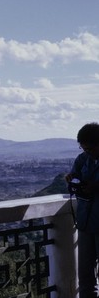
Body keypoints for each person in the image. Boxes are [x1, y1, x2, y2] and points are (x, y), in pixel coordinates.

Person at [65, 122, 99, 297]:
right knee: (85, 275)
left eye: (90, 149)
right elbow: (75, 182)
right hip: (85, 222)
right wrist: (72, 179)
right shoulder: (82, 159)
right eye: (83, 148)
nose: (86, 152)